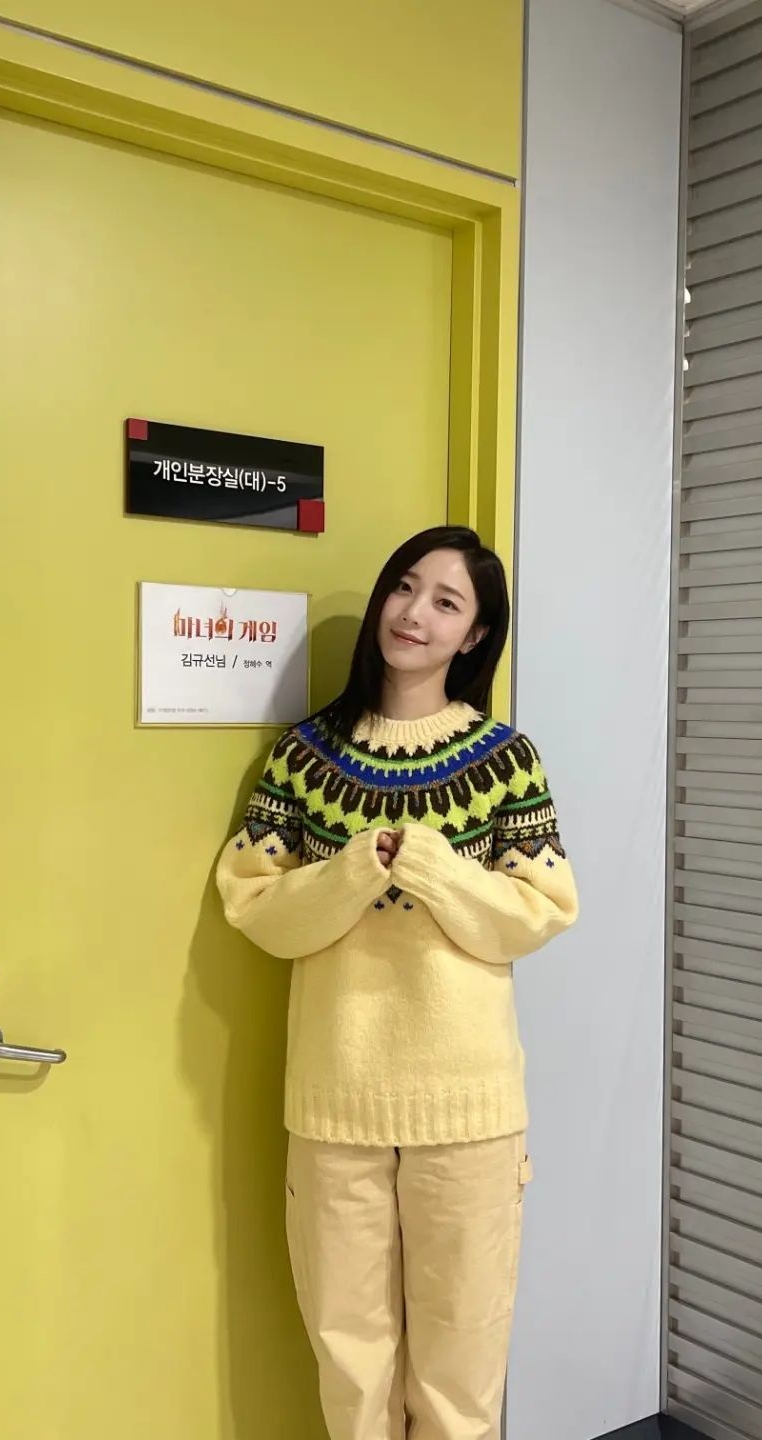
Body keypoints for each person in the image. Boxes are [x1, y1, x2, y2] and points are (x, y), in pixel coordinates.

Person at [216, 525, 579, 1440]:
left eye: (446, 603)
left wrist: (433, 867)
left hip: (469, 1110)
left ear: (474, 635)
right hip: (335, 1105)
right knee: (351, 1367)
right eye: (405, 587)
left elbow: (540, 912)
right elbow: (253, 906)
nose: (414, 613)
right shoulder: (304, 755)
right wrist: (351, 871)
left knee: (461, 1373)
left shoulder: (505, 758)